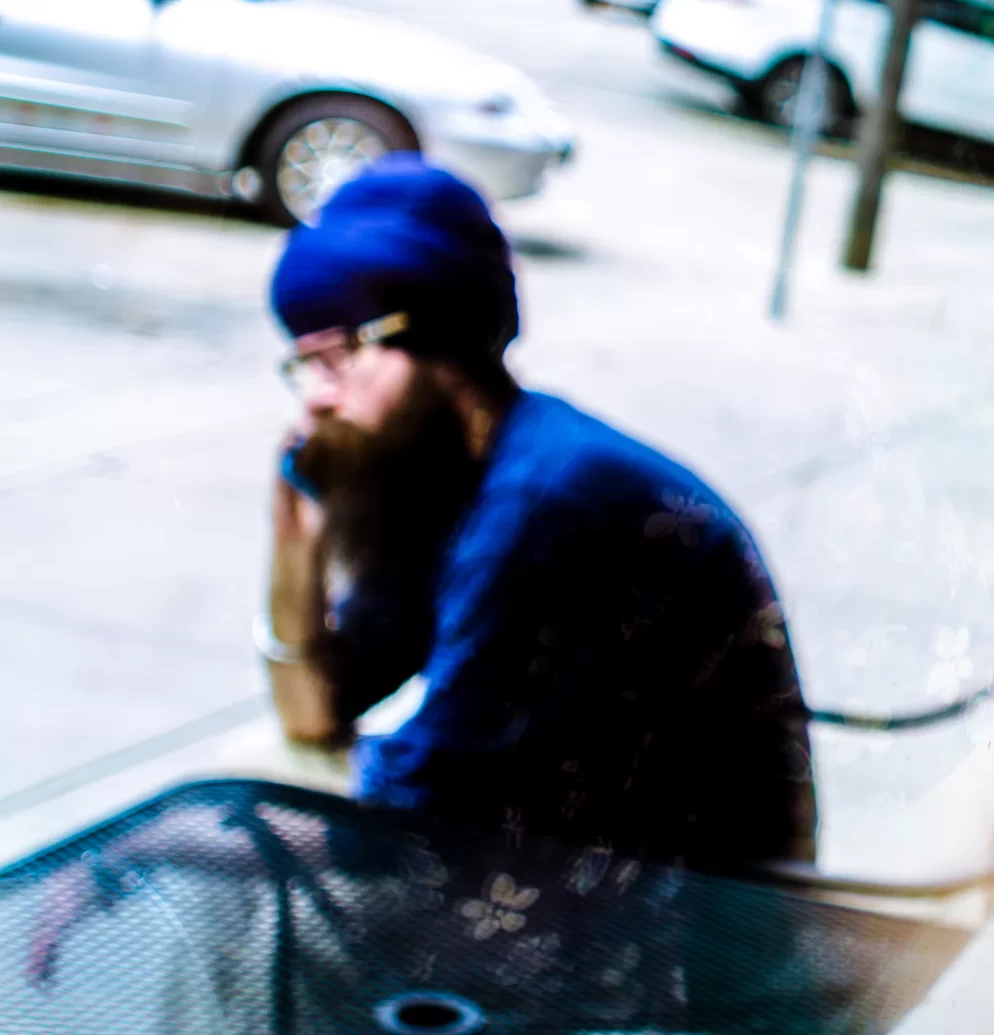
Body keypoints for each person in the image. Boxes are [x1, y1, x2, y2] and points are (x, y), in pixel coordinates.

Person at [259, 156, 817, 870]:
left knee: (226, 874)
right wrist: (294, 551)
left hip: (684, 927)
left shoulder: (546, 504)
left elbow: (417, 813)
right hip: (599, 865)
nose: (314, 398)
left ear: (439, 343)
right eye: (302, 364)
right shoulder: (460, 470)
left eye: (336, 357)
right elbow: (318, 709)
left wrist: (134, 870)